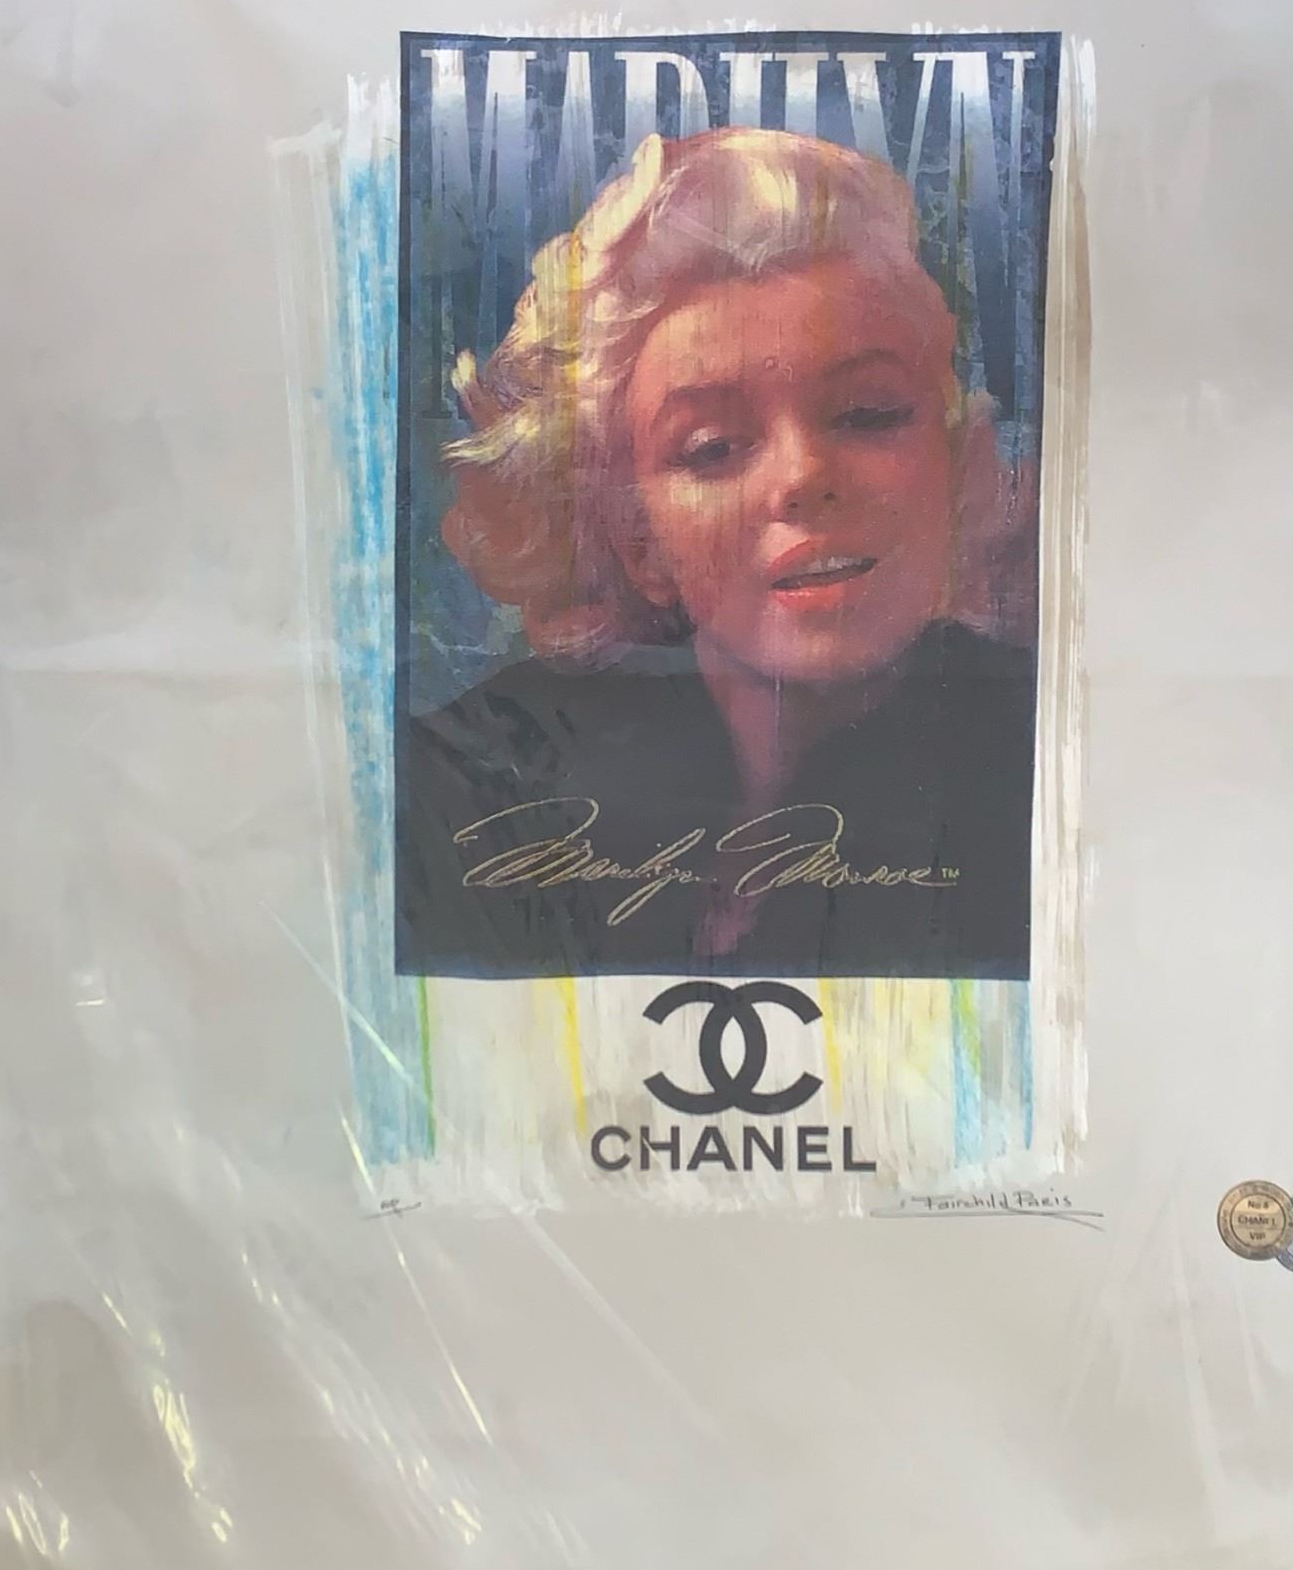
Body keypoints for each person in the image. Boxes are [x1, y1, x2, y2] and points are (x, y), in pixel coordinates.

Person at [397, 127, 1037, 979]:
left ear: (953, 463)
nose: (804, 478)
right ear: (638, 541)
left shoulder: (1053, 767)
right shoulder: (463, 785)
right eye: (712, 448)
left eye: (868, 414)